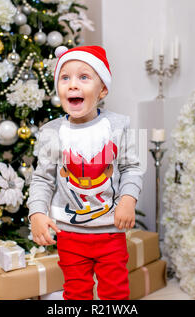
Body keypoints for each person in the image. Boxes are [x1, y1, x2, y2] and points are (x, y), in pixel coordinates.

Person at [27, 45, 143, 300]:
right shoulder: (51, 132)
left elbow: (131, 168)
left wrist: (128, 199)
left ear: (102, 90)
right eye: (65, 77)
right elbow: (42, 178)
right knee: (76, 292)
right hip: (70, 233)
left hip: (109, 232)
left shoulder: (118, 126)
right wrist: (37, 212)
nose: (73, 85)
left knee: (115, 292)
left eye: (84, 77)